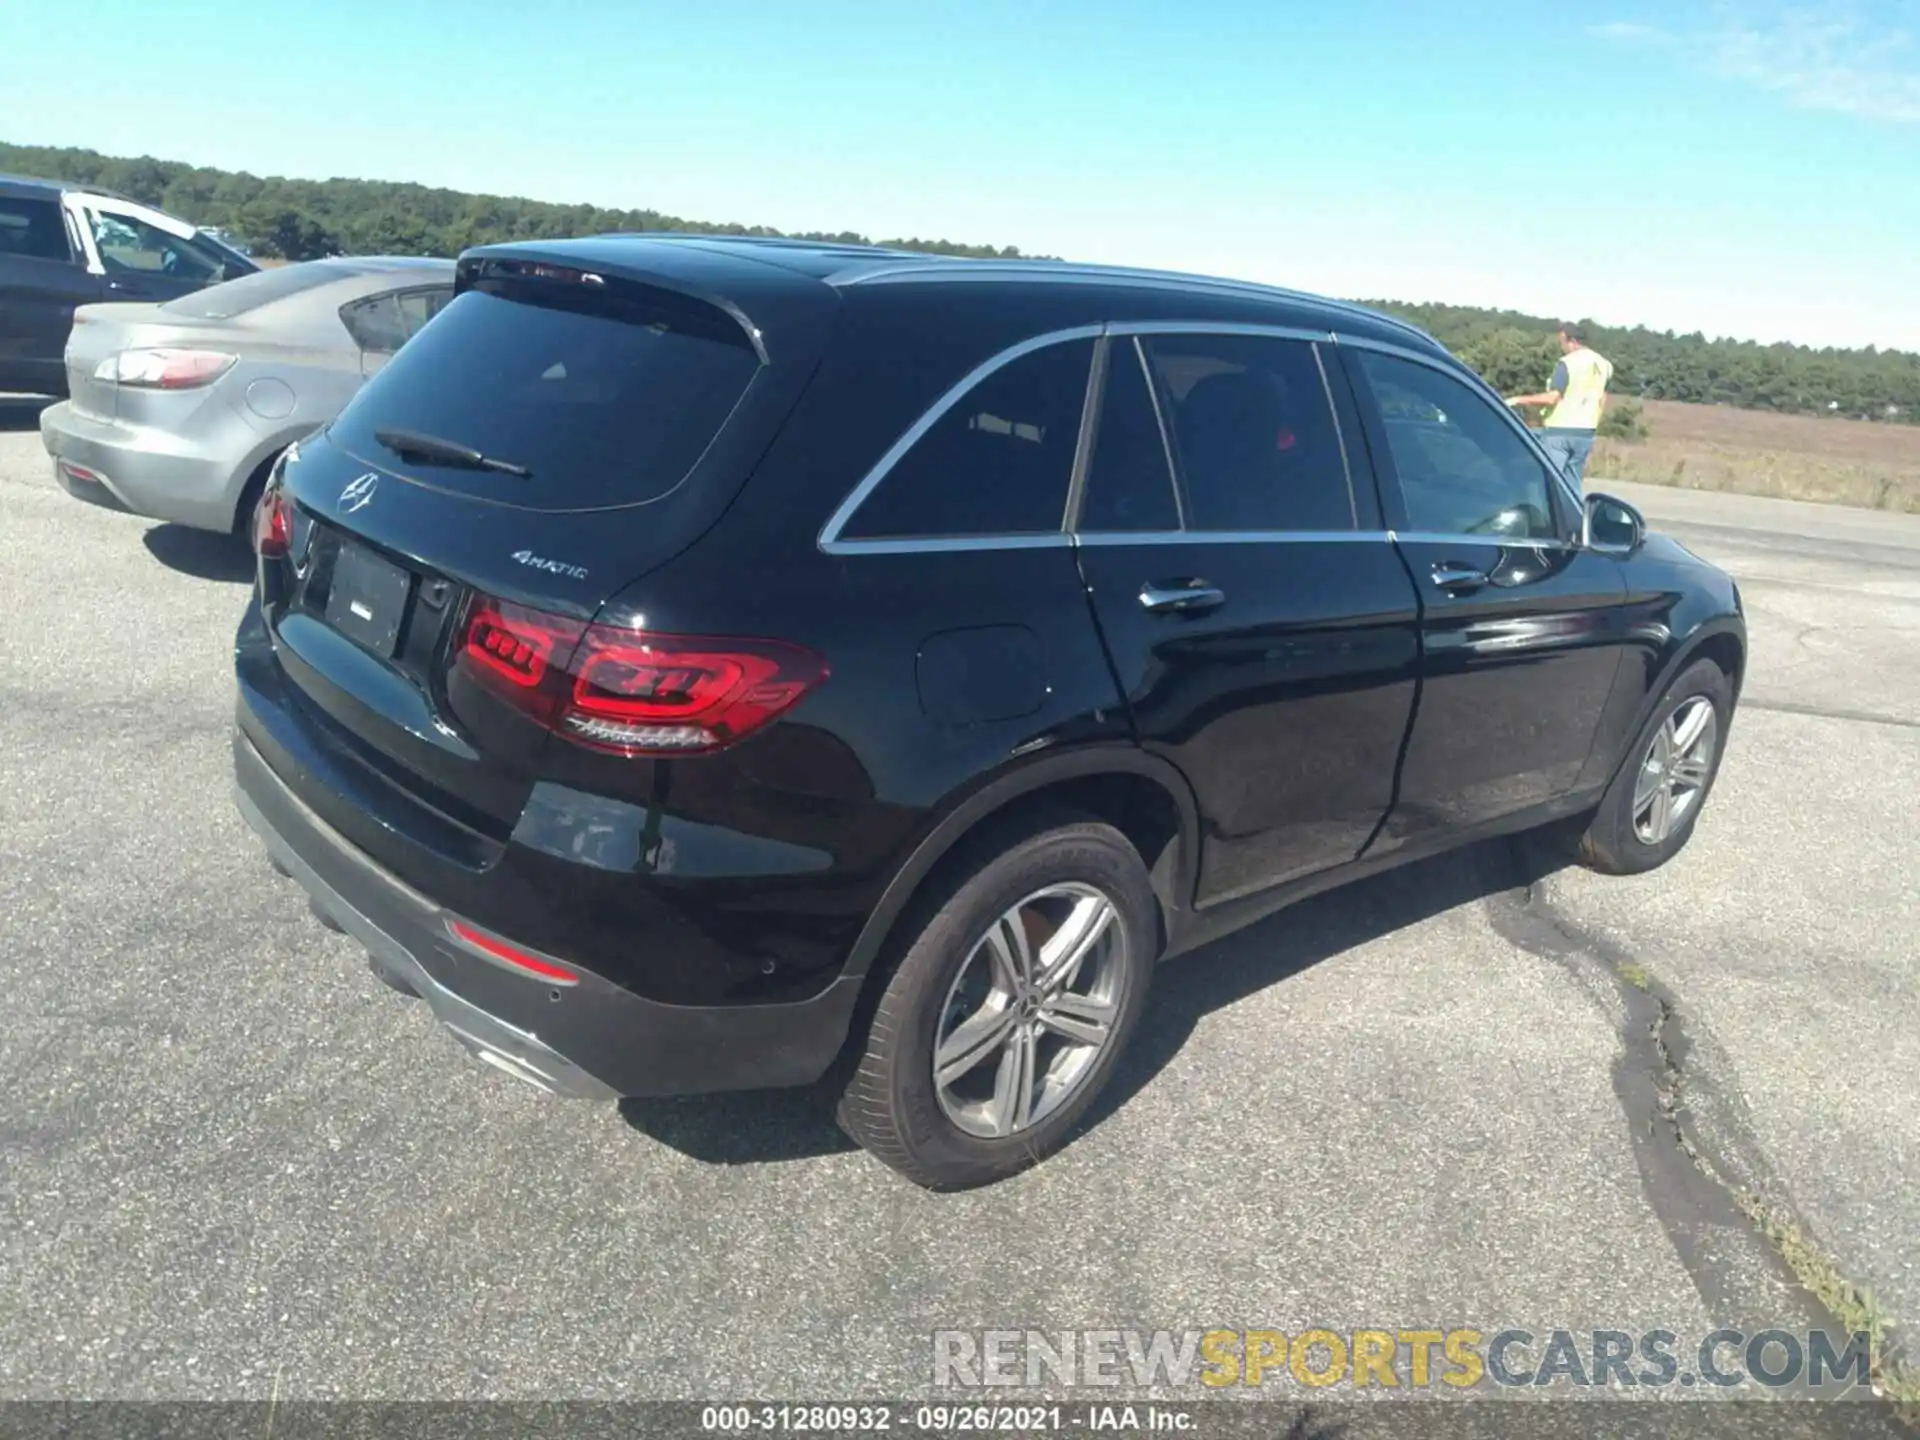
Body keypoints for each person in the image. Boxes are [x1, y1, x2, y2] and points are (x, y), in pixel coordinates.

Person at [1507, 323, 1614, 490]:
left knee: (1551, 482)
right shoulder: (1604, 365)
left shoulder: (1567, 363)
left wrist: (1519, 400)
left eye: (1562, 342)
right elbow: (1603, 398)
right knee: (1573, 484)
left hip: (1560, 431)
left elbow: (1553, 398)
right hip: (1586, 432)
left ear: (1571, 341)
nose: (1561, 347)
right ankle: (1574, 514)